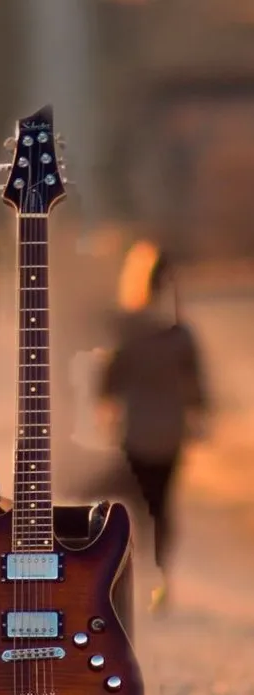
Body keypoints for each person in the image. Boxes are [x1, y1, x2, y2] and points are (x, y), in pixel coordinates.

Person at [96, 248, 210, 611]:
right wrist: (197, 416)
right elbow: (197, 385)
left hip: (136, 431)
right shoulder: (182, 334)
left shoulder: (128, 332)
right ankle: (161, 574)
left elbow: (109, 382)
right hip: (170, 432)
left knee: (138, 504)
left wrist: (110, 404)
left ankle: (139, 572)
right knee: (163, 504)